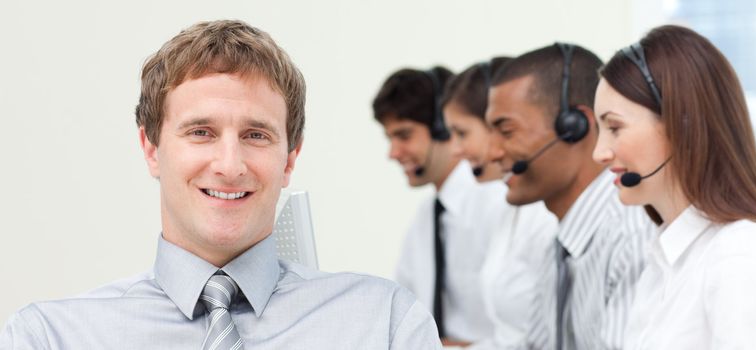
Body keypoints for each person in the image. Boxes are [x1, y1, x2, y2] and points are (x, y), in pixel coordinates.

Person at [0, 20, 441, 349]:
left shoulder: (384, 324)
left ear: (290, 158)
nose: (230, 166)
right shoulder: (49, 338)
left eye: (256, 135)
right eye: (201, 132)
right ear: (152, 148)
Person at [593, 25, 756, 349]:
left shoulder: (739, 254)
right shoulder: (665, 256)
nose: (599, 153)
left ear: (683, 123)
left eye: (614, 127)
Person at [485, 43, 655, 349]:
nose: (492, 152)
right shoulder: (560, 248)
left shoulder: (632, 240)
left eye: (506, 132)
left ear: (573, 127)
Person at [373, 67, 505, 345]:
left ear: (442, 128)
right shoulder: (426, 217)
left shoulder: (497, 202)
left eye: (404, 135)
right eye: (390, 138)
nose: (393, 153)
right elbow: (399, 311)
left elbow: (527, 326)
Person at [440, 58, 558, 349]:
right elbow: (514, 336)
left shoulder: (546, 215)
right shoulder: (511, 206)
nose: (455, 150)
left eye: (462, 133)